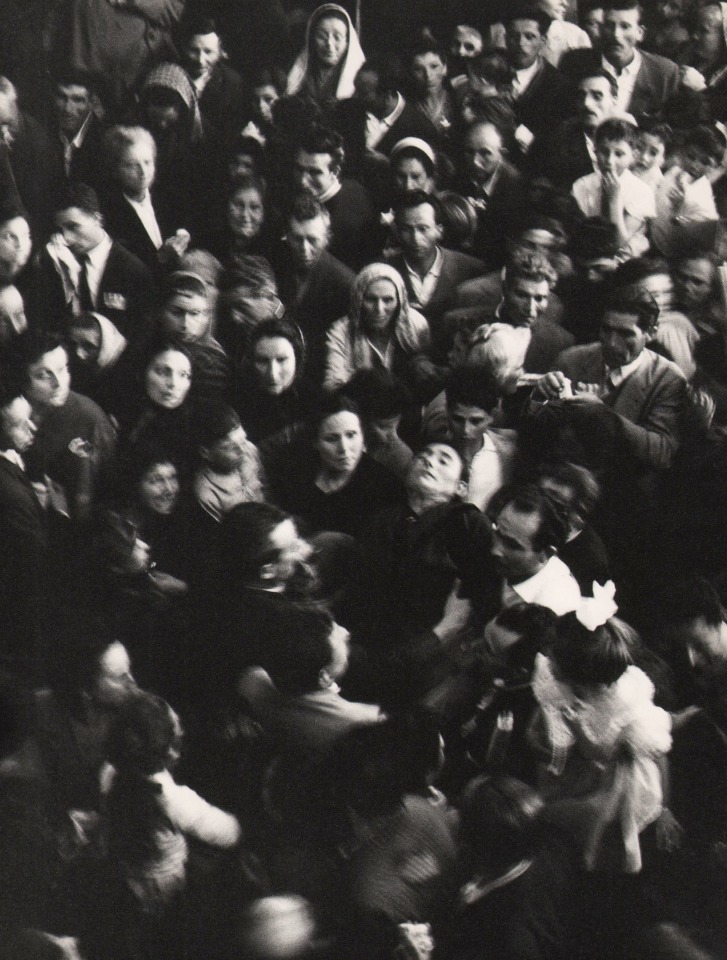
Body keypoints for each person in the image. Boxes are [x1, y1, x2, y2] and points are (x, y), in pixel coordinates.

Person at [529, 585, 672, 872]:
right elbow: (548, 703)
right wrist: (540, 733)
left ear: (579, 676)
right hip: (572, 761)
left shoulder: (626, 704)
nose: (547, 659)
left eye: (554, 659)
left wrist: (665, 808)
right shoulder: (558, 678)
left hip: (613, 774)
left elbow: (615, 753)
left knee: (586, 826)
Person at [105, 689, 241, 958]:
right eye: (176, 727)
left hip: (128, 869)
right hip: (165, 885)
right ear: (170, 752)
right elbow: (228, 832)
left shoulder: (110, 775)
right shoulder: (173, 801)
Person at [238, 606, 383, 761]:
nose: (346, 632)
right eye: (340, 640)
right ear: (324, 677)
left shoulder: (250, 681)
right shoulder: (365, 720)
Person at [36, 184, 154, 347]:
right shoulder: (54, 264)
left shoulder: (133, 270)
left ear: (98, 220)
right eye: (61, 229)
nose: (67, 238)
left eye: (73, 227)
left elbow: (142, 336)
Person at [272, 394, 403, 540]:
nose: (344, 448)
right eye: (331, 439)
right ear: (315, 442)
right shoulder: (296, 470)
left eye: (351, 435)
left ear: (363, 436)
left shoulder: (385, 487)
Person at [21, 331, 116, 522]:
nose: (58, 383)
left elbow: (109, 488)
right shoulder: (12, 415)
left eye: (63, 369)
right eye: (43, 375)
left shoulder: (89, 417)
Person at [388, 191, 485, 359]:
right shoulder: (384, 269)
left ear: (439, 230)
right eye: (406, 229)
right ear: (396, 231)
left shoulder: (471, 269)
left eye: (423, 229)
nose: (415, 238)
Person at [272, 195, 355, 384]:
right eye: (297, 239)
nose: (304, 248)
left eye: (313, 240)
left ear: (327, 238)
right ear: (286, 234)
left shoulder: (345, 283)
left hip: (319, 376)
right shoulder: (274, 266)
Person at [0, 372, 47, 680]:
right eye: (19, 424)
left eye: (30, 418)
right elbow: (35, 549)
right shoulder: (9, 489)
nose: (32, 428)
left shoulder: (12, 464)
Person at [323, 262, 431, 393]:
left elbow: (427, 372)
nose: (379, 309)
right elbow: (333, 386)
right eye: (371, 299)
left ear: (400, 300)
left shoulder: (416, 325)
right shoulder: (341, 331)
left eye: (388, 300)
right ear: (359, 299)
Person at [101, 125, 191, 278]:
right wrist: (162, 256)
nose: (143, 172)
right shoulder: (110, 213)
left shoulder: (168, 196)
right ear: (115, 170)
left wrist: (184, 236)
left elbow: (186, 227)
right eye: (132, 165)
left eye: (147, 162)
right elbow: (126, 270)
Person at [432, 366, 518, 514]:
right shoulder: (431, 451)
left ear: (492, 416)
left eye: (476, 421)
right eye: (457, 419)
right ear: (447, 411)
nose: (466, 430)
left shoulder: (509, 450)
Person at [291, 124, 377, 270]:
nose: (302, 181)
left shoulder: (352, 219)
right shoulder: (293, 194)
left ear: (335, 172)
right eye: (299, 169)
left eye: (314, 172)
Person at [489, 484, 581, 617]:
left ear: (546, 554)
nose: (495, 550)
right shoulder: (500, 562)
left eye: (512, 545)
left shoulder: (554, 606)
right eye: (497, 533)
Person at [572, 117, 655, 261]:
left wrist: (614, 200)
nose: (610, 161)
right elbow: (577, 234)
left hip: (620, 261)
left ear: (633, 156)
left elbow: (620, 244)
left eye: (619, 154)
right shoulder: (581, 185)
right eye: (604, 151)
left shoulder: (642, 192)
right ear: (595, 152)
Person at [527, 69, 618, 190]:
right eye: (581, 96)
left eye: (597, 96)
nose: (586, 103)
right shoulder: (552, 141)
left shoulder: (625, 140)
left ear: (614, 100)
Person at [501, 4, 573, 150]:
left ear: (543, 41)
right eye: (514, 36)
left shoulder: (560, 85)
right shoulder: (490, 73)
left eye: (530, 36)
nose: (521, 43)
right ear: (505, 39)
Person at [456, 119, 524, 268]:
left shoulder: (515, 186)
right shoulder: (460, 177)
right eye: (469, 152)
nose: (475, 161)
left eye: (485, 153)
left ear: (502, 154)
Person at [157, 270, 229, 402]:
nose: (185, 324)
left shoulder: (213, 364)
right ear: (161, 310)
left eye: (195, 313)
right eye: (177, 312)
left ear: (207, 316)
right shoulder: (147, 347)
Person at [652, 124, 722, 258]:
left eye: (705, 162)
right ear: (683, 151)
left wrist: (679, 209)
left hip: (667, 256)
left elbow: (690, 244)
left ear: (715, 167)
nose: (695, 165)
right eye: (691, 156)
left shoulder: (704, 202)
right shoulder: (674, 172)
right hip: (649, 239)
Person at [193, 401, 266, 526]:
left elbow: (265, 484)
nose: (243, 450)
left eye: (243, 440)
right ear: (206, 452)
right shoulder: (206, 493)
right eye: (230, 447)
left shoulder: (249, 449)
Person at [182, 16, 247, 152]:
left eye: (208, 52)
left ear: (219, 52)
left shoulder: (231, 83)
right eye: (194, 51)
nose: (201, 60)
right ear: (184, 48)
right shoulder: (172, 74)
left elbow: (228, 137)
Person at [286, 4, 366, 107]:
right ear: (312, 39)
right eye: (322, 36)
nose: (329, 44)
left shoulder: (360, 82)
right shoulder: (298, 77)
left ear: (347, 42)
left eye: (337, 37)